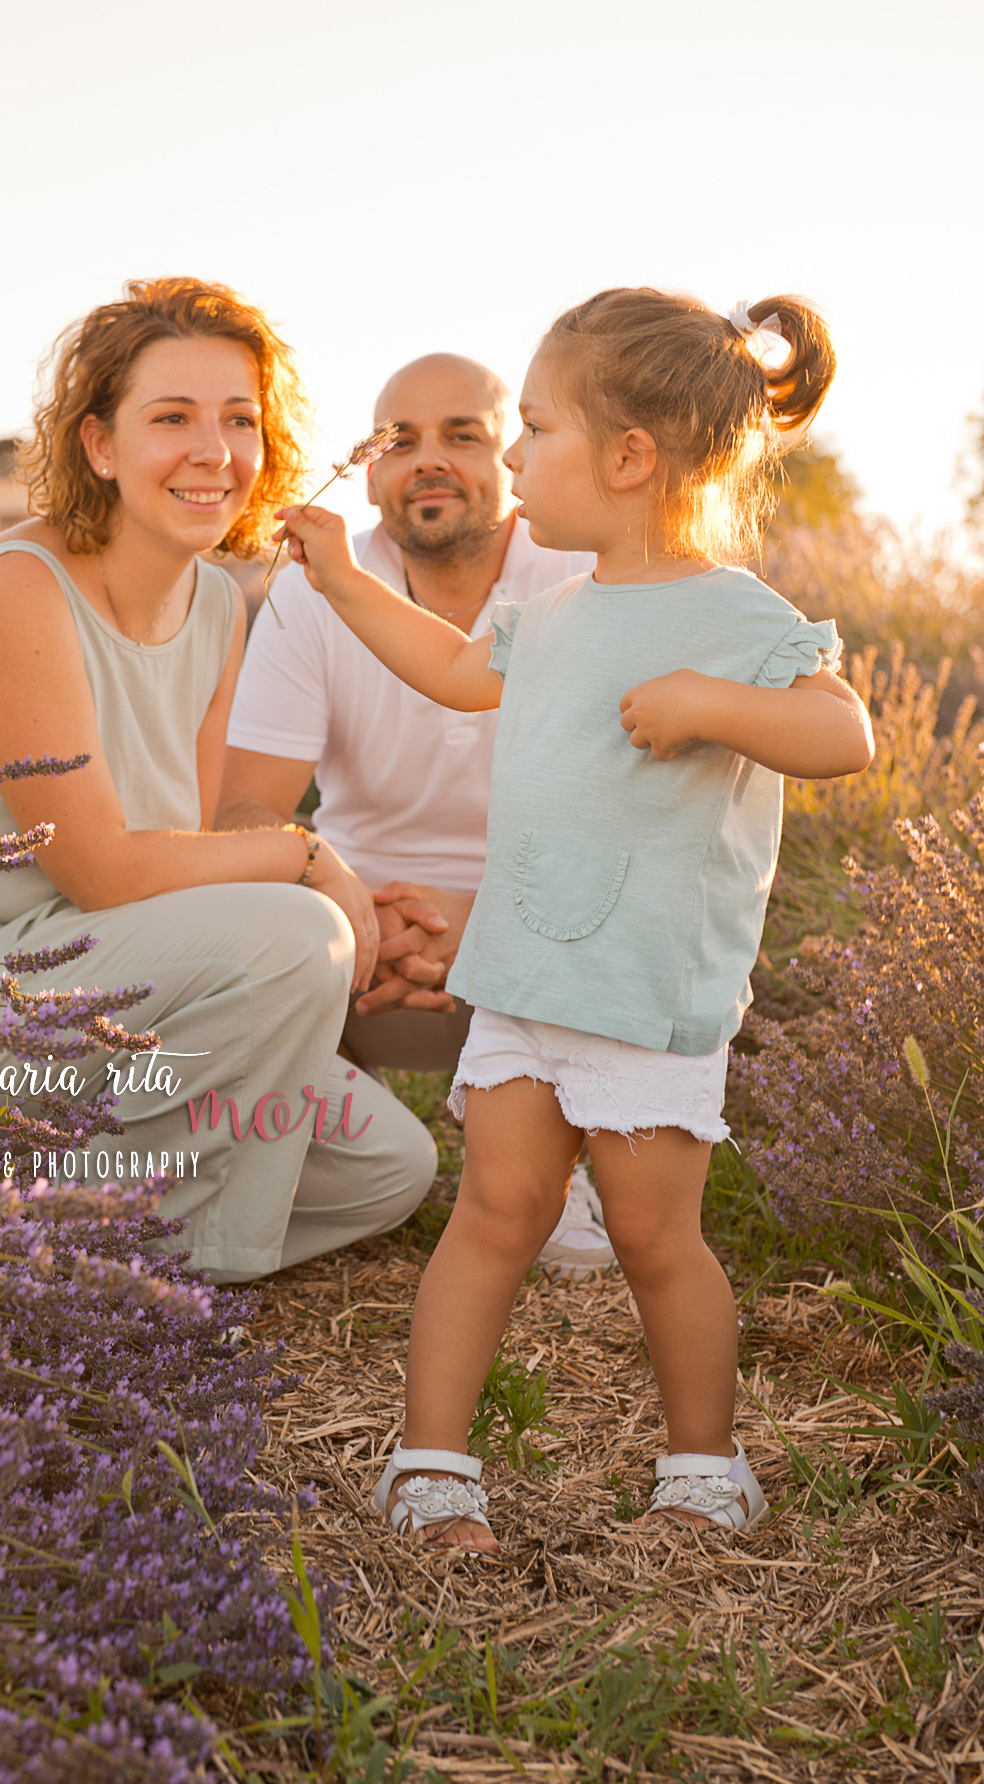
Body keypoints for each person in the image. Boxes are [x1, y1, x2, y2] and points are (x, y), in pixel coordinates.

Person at [274, 287, 874, 1552]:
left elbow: (842, 732)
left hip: (644, 989)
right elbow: (448, 670)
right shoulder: (547, 614)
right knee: (496, 1211)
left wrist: (716, 701)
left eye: (533, 430)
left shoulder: (732, 614)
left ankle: (704, 1469)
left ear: (628, 458)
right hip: (526, 973)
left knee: (657, 1239)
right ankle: (430, 1466)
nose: (519, 458)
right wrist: (336, 579)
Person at [0, 277, 437, 1284]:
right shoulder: (17, 588)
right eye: (172, 418)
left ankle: (11, 1218)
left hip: (100, 1000)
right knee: (297, 935)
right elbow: (107, 874)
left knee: (388, 1167)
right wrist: (306, 858)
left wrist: (359, 916)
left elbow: (189, 847)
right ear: (99, 446)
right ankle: (173, 1275)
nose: (214, 452)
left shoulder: (215, 605)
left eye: (238, 419)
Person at [219, 353, 611, 1274]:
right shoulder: (314, 590)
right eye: (400, 442)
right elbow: (242, 810)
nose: (428, 460)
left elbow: (625, 818)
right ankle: (291, 1158)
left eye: (461, 435)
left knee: (628, 897)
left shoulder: (583, 575)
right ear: (369, 471)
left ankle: (556, 1172)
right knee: (267, 923)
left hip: (540, 939)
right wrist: (347, 901)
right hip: (369, 944)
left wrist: (493, 923)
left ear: (510, 456)